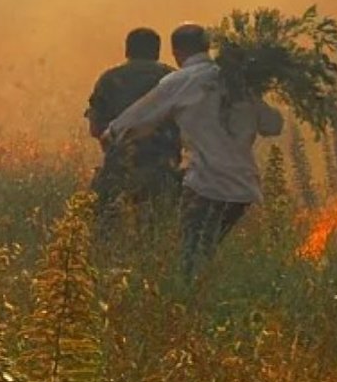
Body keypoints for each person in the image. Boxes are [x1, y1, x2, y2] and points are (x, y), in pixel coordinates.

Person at [103, 23, 284, 280]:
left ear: (177, 52)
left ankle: (190, 304)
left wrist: (112, 133)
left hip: (207, 184)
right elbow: (274, 125)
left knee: (189, 258)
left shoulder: (181, 81)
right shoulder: (236, 81)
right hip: (244, 188)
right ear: (207, 47)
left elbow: (140, 116)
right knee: (206, 250)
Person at [85, 28, 182, 218]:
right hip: (163, 170)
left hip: (118, 169)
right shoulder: (174, 79)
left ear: (127, 50)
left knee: (104, 230)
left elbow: (96, 128)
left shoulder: (109, 79)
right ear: (157, 50)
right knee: (160, 233)